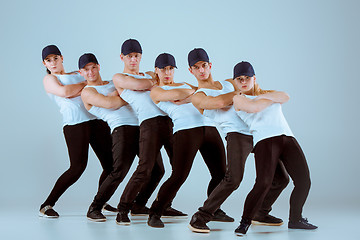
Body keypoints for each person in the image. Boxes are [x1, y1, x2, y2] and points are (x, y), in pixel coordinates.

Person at [187, 49, 289, 233]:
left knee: (281, 178)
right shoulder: (198, 95)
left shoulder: (228, 83)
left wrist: (260, 95)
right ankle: (200, 217)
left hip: (257, 132)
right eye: (196, 67)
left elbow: (252, 92)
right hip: (236, 135)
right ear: (191, 71)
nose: (201, 70)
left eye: (204, 65)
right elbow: (218, 103)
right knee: (233, 179)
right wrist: (239, 94)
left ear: (210, 66)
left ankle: (261, 212)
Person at [231, 61, 318, 236]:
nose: (243, 82)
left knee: (304, 181)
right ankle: (245, 222)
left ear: (254, 78)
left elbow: (286, 96)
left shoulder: (266, 94)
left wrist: (266, 96)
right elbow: (254, 107)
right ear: (235, 82)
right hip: (265, 140)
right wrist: (270, 98)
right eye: (239, 79)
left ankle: (295, 219)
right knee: (263, 183)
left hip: (287, 137)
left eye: (247, 78)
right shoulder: (238, 98)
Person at [147, 53, 232, 228]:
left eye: (171, 68)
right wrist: (193, 95)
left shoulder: (187, 85)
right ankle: (155, 212)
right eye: (163, 69)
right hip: (185, 131)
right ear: (157, 71)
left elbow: (202, 92)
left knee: (221, 174)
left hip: (209, 127)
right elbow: (187, 94)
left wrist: (190, 95)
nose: (167, 72)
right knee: (179, 176)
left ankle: (214, 209)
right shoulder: (156, 90)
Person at [112, 39, 185, 225]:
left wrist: (158, 79)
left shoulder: (150, 74)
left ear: (141, 56)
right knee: (145, 169)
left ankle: (157, 204)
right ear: (122, 57)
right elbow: (140, 85)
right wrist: (154, 80)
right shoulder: (119, 78)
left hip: (168, 122)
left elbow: (169, 84)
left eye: (136, 56)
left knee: (178, 167)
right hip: (148, 124)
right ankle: (123, 209)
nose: (133, 59)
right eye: (129, 56)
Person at [39, 45, 115, 218]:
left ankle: (100, 203)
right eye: (49, 60)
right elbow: (65, 92)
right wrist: (87, 84)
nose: (53, 63)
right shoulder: (49, 79)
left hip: (95, 120)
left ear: (62, 58)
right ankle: (46, 205)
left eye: (56, 58)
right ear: (44, 63)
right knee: (77, 167)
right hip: (75, 125)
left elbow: (101, 86)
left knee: (111, 165)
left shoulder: (76, 74)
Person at [79, 53, 154, 222]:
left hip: (142, 127)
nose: (90, 72)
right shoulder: (88, 92)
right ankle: (95, 207)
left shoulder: (114, 83)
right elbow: (111, 104)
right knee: (119, 172)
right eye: (86, 69)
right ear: (81, 72)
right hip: (122, 129)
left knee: (157, 169)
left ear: (98, 67)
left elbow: (133, 90)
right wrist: (129, 94)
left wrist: (122, 93)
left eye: (93, 67)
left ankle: (139, 204)